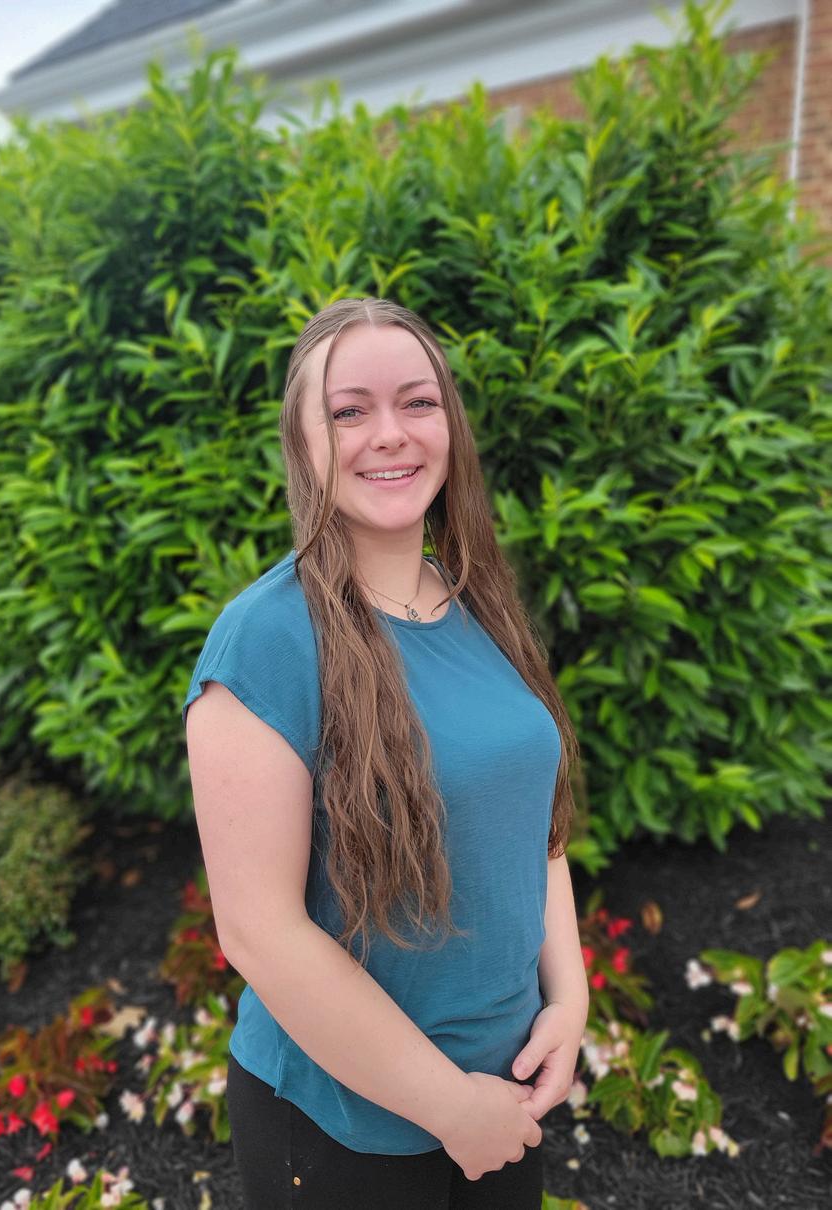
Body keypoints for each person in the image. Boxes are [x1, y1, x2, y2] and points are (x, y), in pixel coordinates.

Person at [182, 297, 589, 1209]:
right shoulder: (265, 642)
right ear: (305, 443)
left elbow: (535, 829)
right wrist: (451, 1108)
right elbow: (258, 931)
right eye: (349, 411)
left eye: (418, 402)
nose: (391, 434)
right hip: (344, 1126)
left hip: (505, 1096)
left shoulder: (477, 599)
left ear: (451, 426)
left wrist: (569, 999)